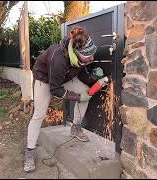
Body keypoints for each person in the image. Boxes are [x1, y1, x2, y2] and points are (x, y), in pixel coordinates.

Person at [24, 25, 107, 172]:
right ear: (77, 54)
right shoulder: (58, 58)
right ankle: (29, 152)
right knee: (39, 115)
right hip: (45, 79)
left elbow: (79, 73)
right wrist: (77, 97)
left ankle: (75, 127)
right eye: (89, 56)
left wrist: (94, 82)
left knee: (85, 92)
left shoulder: (79, 58)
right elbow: (55, 89)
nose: (92, 58)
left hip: (63, 77)